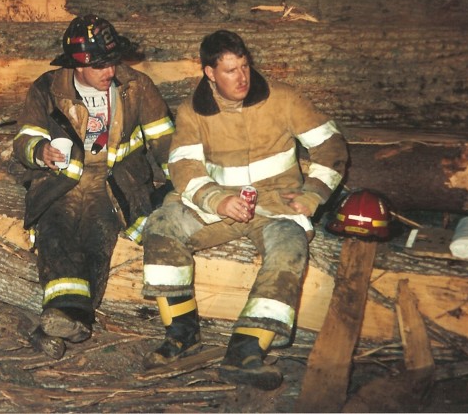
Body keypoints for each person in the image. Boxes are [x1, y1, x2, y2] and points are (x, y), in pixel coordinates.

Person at [141, 30, 348, 390]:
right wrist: (216, 198)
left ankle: (246, 351)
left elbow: (330, 145)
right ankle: (181, 334)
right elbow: (183, 166)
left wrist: (313, 195)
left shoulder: (283, 99)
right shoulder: (194, 111)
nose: (242, 78)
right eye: (231, 70)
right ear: (209, 73)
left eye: (245, 67)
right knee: (161, 224)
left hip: (275, 204)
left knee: (289, 249)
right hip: (220, 205)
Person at [13, 14, 175, 359]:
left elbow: (165, 140)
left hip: (115, 181)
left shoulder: (138, 87)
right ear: (77, 66)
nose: (110, 72)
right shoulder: (48, 88)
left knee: (98, 233)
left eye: (112, 62)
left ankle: (59, 320)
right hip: (62, 180)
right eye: (100, 66)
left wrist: (184, 182)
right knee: (55, 230)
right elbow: (25, 137)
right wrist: (40, 151)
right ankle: (70, 318)